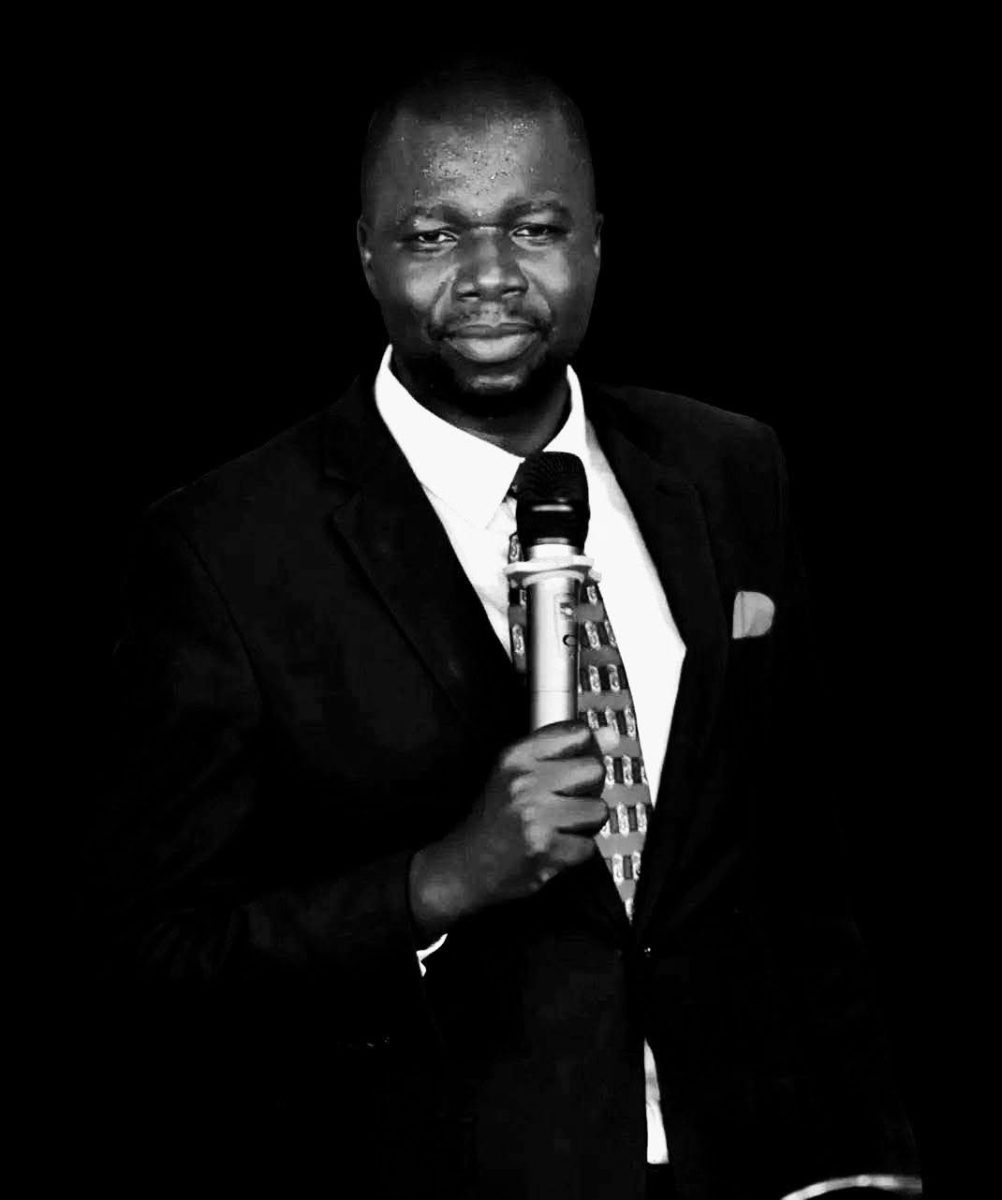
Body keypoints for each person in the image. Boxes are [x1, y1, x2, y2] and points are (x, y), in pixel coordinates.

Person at [85, 58, 920, 1199]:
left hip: (749, 1164)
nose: (490, 276)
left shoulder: (729, 470)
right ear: (367, 252)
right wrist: (436, 883)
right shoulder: (226, 549)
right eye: (435, 236)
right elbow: (151, 955)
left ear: (595, 243)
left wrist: (869, 1164)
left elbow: (806, 867)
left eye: (534, 227)